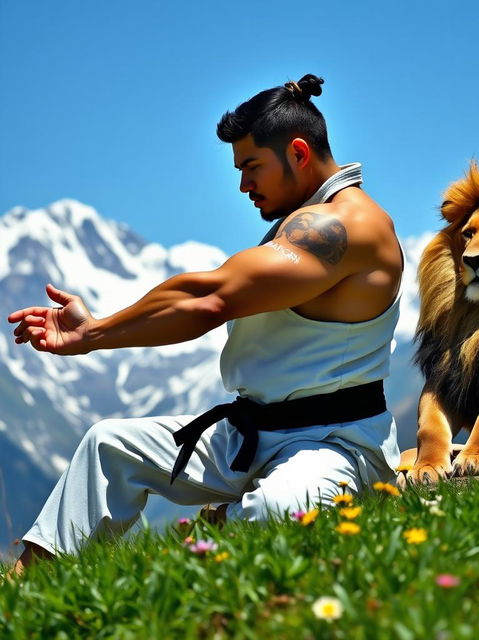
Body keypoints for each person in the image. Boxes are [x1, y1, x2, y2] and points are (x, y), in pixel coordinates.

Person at [7, 74, 403, 575]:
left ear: (299, 153)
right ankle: (29, 582)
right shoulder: (308, 221)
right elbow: (210, 293)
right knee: (109, 445)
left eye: (252, 166)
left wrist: (96, 334)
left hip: (333, 444)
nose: (243, 185)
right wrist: (98, 330)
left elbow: (211, 299)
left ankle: (220, 527)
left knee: (278, 514)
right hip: (253, 432)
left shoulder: (346, 227)